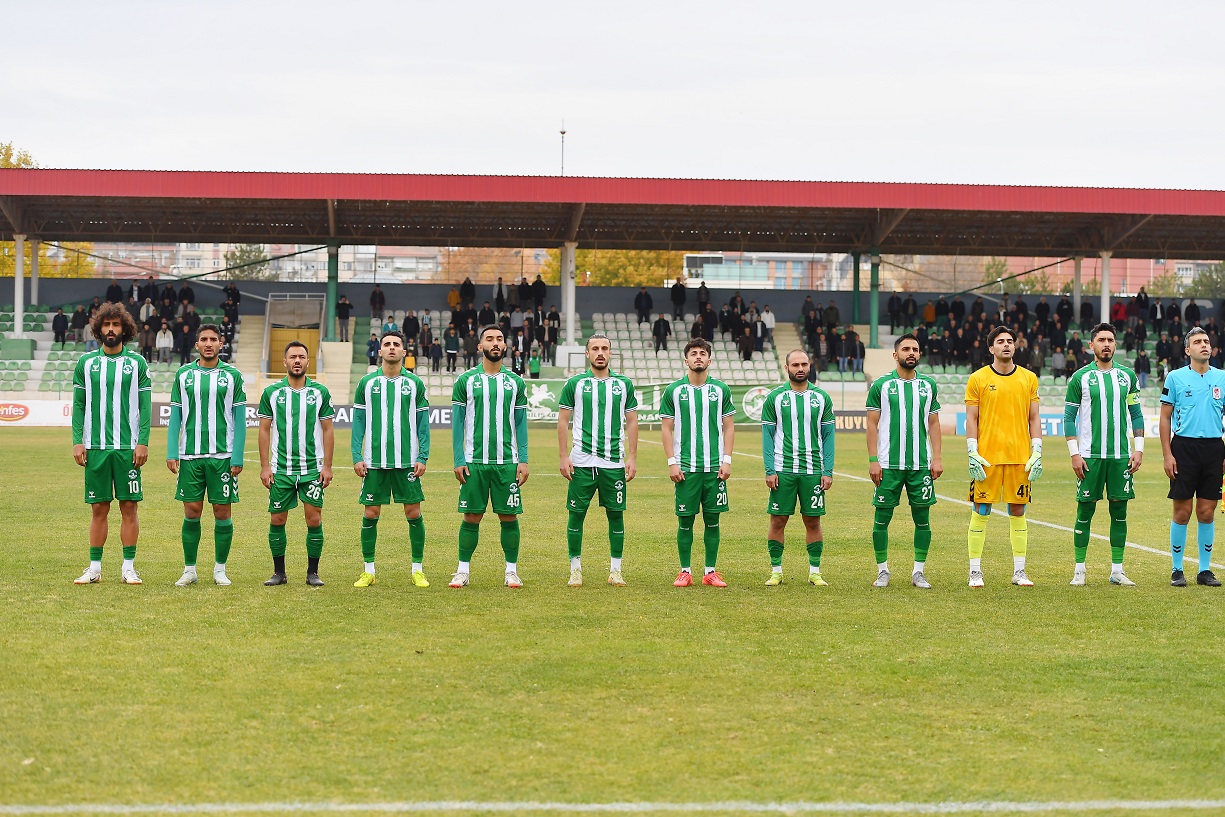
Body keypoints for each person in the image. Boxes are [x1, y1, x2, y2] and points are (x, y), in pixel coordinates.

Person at [71, 303, 151, 586]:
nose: (111, 329)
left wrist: (142, 442)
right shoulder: (86, 363)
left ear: (124, 329)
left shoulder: (137, 364)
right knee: (98, 508)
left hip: (127, 448)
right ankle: (94, 568)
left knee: (129, 507)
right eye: (106, 325)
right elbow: (79, 405)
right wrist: (77, 441)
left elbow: (144, 406)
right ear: (99, 329)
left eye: (116, 325)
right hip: (95, 447)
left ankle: (128, 567)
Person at [449, 325, 530, 589]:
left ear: (505, 346)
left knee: (509, 517)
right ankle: (462, 571)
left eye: (499, 339)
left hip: (506, 462)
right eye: (489, 339)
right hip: (474, 461)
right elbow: (457, 423)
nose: (495, 343)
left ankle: (511, 571)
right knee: (471, 516)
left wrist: (524, 459)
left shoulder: (515, 382)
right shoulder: (465, 381)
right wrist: (459, 458)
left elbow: (520, 423)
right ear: (480, 346)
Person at [167, 325, 247, 588]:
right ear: (196, 344)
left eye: (214, 339)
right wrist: (171, 451)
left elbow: (240, 419)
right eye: (204, 339)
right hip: (190, 455)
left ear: (221, 343)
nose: (209, 343)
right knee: (192, 510)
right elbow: (176, 415)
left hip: (222, 455)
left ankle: (220, 569)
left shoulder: (233, 375)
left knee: (222, 511)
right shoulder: (183, 375)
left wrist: (237, 456)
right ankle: (190, 569)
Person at [1064, 324, 1143, 587]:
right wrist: (1074, 454)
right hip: (1090, 456)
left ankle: (1117, 570)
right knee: (1084, 511)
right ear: (1091, 346)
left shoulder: (1128, 376)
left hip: (1121, 455)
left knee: (1120, 512)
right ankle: (1079, 570)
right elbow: (1068, 417)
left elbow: (1136, 414)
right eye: (1101, 340)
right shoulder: (1080, 378)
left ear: (1116, 345)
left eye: (1110, 340)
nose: (1106, 344)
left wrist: (1139, 448)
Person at [350, 331, 431, 589]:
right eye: (387, 344)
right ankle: (368, 570)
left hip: (407, 461)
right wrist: (357, 455)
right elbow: (359, 422)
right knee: (371, 513)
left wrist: (423, 455)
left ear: (404, 352)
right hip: (374, 461)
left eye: (397, 344)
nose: (392, 348)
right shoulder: (367, 383)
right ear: (379, 350)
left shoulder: (415, 384)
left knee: (413, 512)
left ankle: (417, 569)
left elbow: (422, 423)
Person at [557, 334, 639, 587]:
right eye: (595, 349)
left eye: (604, 348)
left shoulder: (624, 384)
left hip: (613, 462)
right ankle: (575, 568)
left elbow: (632, 421)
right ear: (587, 354)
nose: (600, 352)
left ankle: (616, 570)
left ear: (611, 353)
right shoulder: (575, 383)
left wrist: (632, 456)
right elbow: (563, 421)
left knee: (616, 515)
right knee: (576, 514)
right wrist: (563, 456)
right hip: (581, 461)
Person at [964, 326, 1043, 588]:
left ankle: (1019, 571)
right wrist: (972, 450)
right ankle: (975, 571)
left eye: (1010, 341)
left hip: (1020, 457)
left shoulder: (1029, 378)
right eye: (1000, 342)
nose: (1007, 345)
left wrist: (1038, 450)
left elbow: (1034, 417)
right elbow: (972, 418)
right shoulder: (977, 379)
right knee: (981, 510)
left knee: (1018, 511)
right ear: (991, 348)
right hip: (987, 458)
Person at [866, 334, 943, 589]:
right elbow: (872, 424)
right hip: (888, 463)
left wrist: (937, 457)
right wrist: (873, 460)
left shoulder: (929, 385)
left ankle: (918, 572)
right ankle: (882, 571)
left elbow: (933, 423)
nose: (911, 353)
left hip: (921, 464)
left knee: (923, 519)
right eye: (906, 349)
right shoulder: (881, 385)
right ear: (895, 354)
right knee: (881, 518)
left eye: (915, 349)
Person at [257, 341, 335, 587]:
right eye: (293, 357)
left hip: (312, 469)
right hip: (281, 469)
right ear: (285, 362)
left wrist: (328, 466)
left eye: (302, 356)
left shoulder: (320, 392)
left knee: (314, 520)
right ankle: (279, 573)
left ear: (308, 362)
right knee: (277, 520)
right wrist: (265, 466)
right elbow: (263, 430)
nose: (297, 360)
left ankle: (313, 572)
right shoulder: (272, 392)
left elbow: (328, 430)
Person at [661, 338, 735, 588]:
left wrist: (727, 460)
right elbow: (666, 428)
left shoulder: (721, 390)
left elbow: (728, 426)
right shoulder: (674, 390)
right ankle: (685, 571)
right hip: (686, 468)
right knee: (685, 520)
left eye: (703, 353)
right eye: (693, 353)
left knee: (713, 520)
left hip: (714, 469)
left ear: (709, 360)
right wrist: (672, 462)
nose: (698, 357)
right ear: (686, 360)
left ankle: (710, 572)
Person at [761, 350, 835, 587]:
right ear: (787, 368)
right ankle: (776, 571)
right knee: (778, 520)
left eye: (804, 364)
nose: (800, 368)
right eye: (795, 364)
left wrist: (828, 470)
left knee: (813, 521)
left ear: (810, 366)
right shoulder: (775, 398)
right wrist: (769, 469)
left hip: (813, 470)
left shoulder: (822, 397)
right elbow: (768, 436)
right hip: (783, 469)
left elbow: (828, 436)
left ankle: (815, 571)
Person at [1160, 327, 1225, 588]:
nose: (1204, 345)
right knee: (1183, 511)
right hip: (1184, 448)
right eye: (1197, 342)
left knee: (1207, 512)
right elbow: (1165, 418)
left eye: (1206, 341)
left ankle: (1204, 570)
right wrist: (1167, 454)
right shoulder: (1175, 378)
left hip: (1213, 448)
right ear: (1188, 350)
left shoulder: (1222, 377)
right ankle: (1177, 569)